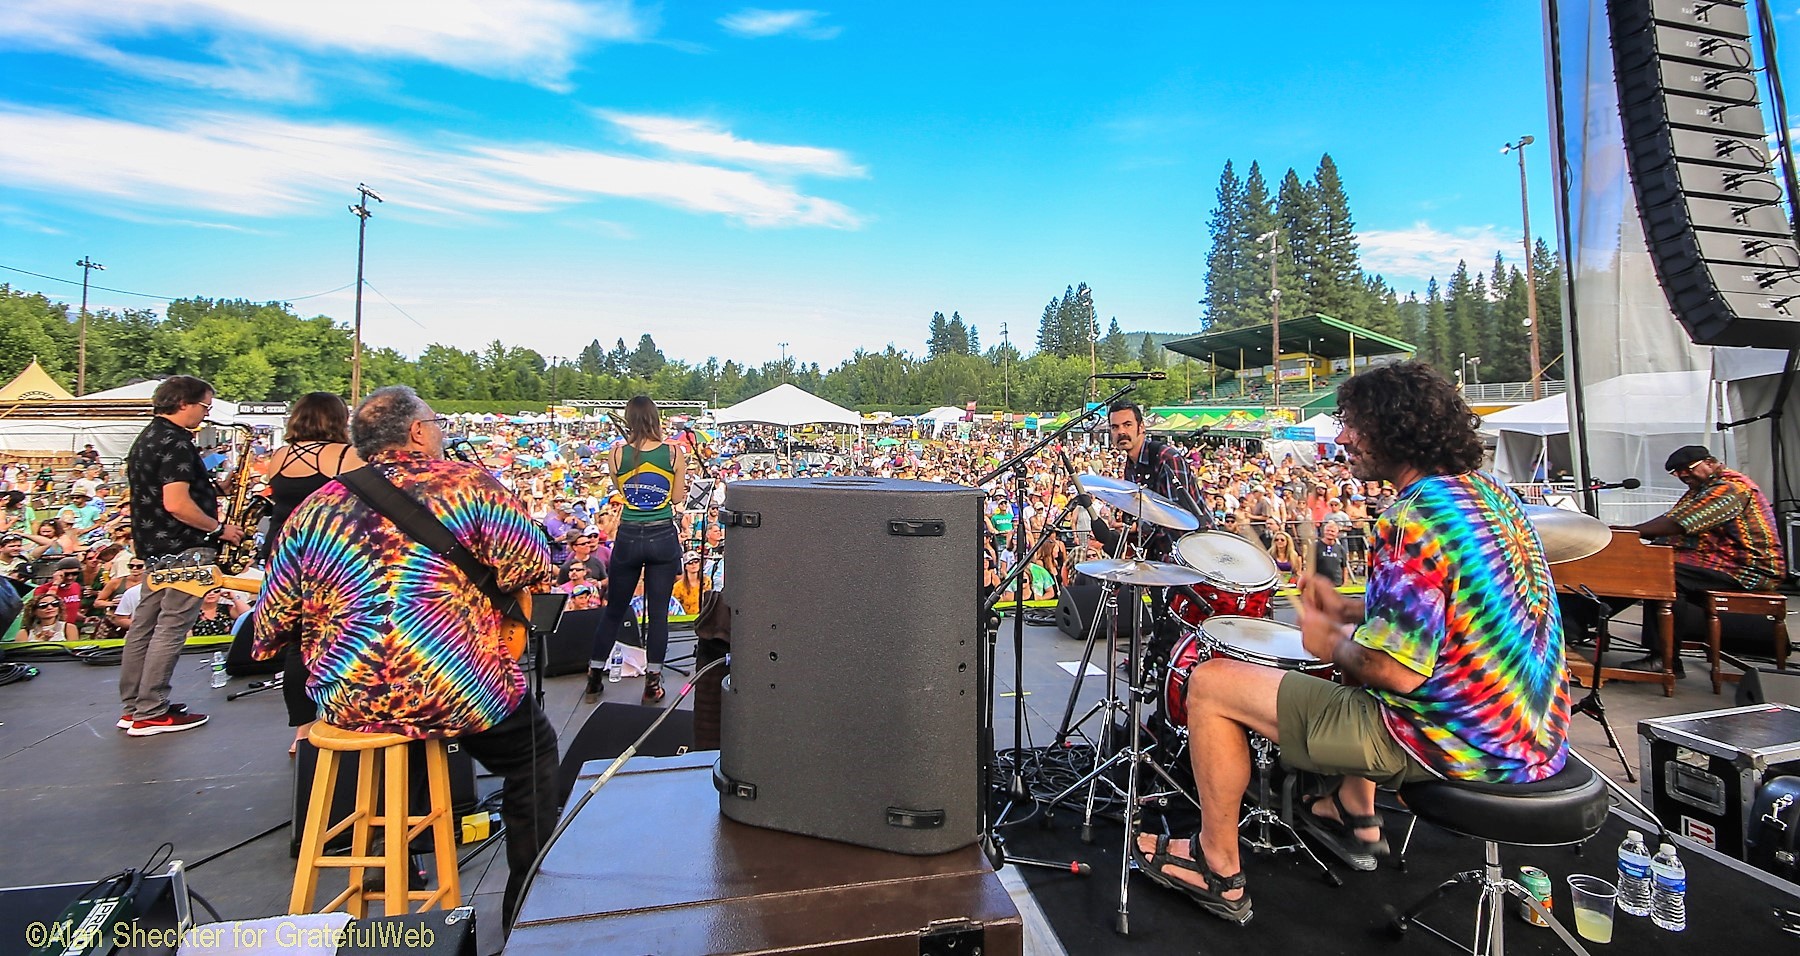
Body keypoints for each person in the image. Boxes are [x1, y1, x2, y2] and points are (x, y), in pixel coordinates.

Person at [1134, 361, 1568, 925]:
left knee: (1213, 682)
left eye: (1353, 424)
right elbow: (1457, 608)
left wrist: (1330, 638)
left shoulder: (1413, 516)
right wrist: (1350, 608)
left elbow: (1393, 672)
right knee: (1346, 662)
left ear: (1395, 426)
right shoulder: (1489, 496)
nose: (1342, 438)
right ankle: (1351, 812)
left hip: (1458, 741)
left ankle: (1219, 869)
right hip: (1532, 730)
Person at [254, 385, 558, 928]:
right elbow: (534, 565)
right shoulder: (468, 485)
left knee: (407, 735)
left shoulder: (315, 506)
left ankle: (397, 862)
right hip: (457, 684)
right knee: (533, 752)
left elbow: (272, 621)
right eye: (436, 423)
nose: (440, 432)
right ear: (417, 432)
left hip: (349, 699)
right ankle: (526, 900)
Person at [118, 376, 244, 736]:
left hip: (156, 544)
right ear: (184, 403)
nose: (206, 414)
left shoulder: (148, 437)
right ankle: (152, 709)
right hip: (184, 545)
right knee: (172, 627)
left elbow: (165, 493)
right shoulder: (176, 442)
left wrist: (215, 488)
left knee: (145, 624)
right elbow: (176, 504)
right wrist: (219, 529)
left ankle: (134, 706)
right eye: (205, 406)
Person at [1615, 445, 1786, 673]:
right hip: (1722, 561)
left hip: (1750, 569)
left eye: (1688, 469)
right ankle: (1580, 625)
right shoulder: (1702, 487)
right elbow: (1674, 517)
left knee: (1661, 574)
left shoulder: (1732, 488)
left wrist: (1630, 532)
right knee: (1653, 562)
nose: (1683, 475)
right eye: (1677, 473)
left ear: (1710, 462)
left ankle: (1665, 660)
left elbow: (1679, 523)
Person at [261, 392, 365, 753]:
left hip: (283, 549)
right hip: (327, 553)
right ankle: (339, 717)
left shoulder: (279, 457)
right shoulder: (343, 456)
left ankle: (303, 730)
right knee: (339, 635)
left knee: (296, 641)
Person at [587, 395, 686, 705]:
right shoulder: (673, 453)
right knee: (658, 613)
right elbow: (678, 496)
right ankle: (653, 684)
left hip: (629, 534)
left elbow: (623, 491)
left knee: (615, 608)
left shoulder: (616, 454)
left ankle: (593, 677)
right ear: (656, 418)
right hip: (661, 534)